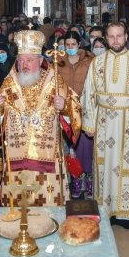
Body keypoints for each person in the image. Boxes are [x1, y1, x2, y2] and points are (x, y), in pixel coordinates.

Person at [0, 30, 81, 206]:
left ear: (40, 60)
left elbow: (75, 109)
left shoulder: (54, 82)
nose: (24, 65)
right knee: (17, 206)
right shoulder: (9, 83)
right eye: (21, 61)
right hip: (16, 156)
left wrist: (65, 108)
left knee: (48, 207)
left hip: (47, 158)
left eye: (29, 60)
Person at [80, 21, 129, 228]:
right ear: (106, 38)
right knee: (105, 168)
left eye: (119, 36)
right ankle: (106, 212)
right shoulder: (96, 63)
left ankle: (127, 214)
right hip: (104, 123)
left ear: (125, 37)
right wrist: (89, 123)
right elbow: (88, 94)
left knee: (128, 168)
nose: (115, 40)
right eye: (111, 36)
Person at [57, 32, 95, 198]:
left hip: (84, 108)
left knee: (85, 147)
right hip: (64, 110)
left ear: (79, 44)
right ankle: (74, 180)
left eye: (73, 44)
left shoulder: (89, 60)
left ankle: (88, 178)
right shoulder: (58, 61)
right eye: (68, 45)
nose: (70, 48)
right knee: (67, 147)